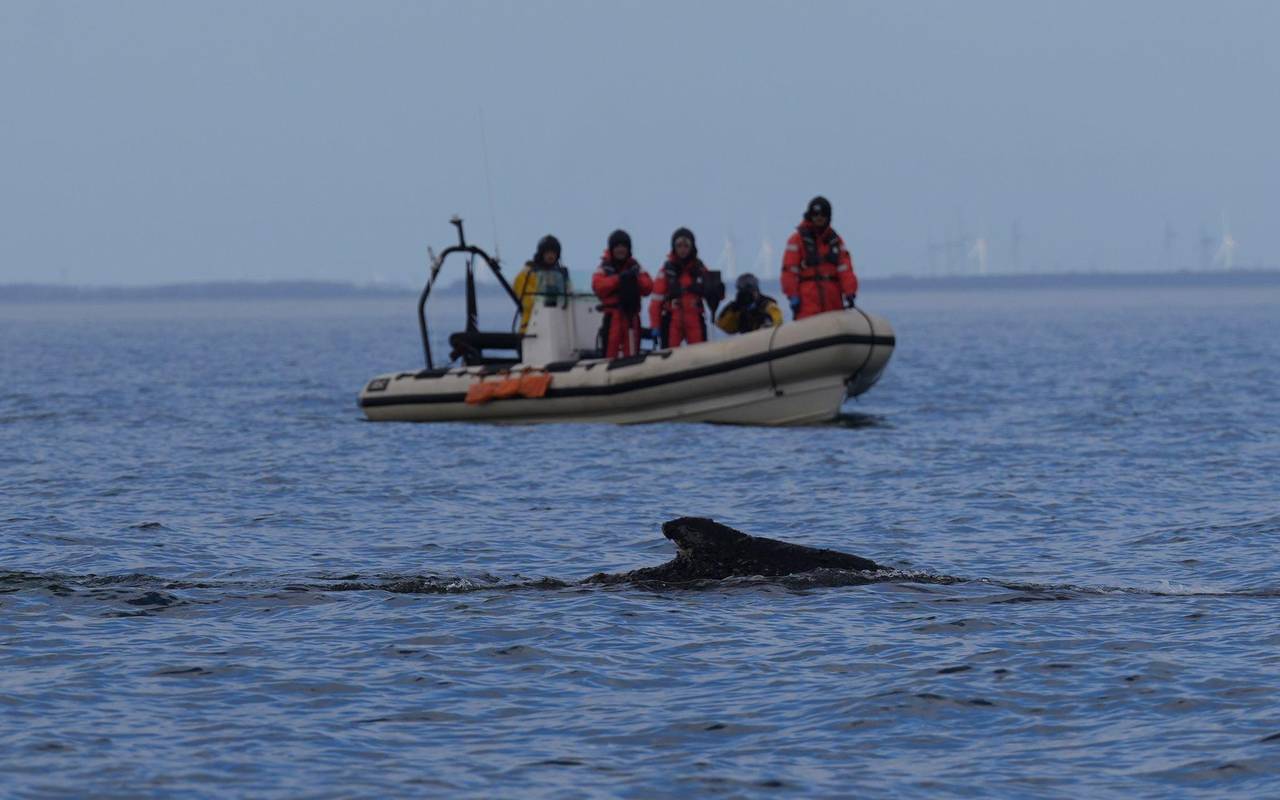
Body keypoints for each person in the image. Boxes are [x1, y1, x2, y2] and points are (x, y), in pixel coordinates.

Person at [780, 195, 858, 320]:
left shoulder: (835, 241)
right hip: (808, 303)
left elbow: (845, 270)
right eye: (816, 215)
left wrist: (850, 292)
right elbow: (789, 271)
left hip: (833, 302)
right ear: (810, 215)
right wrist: (792, 295)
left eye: (822, 215)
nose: (819, 218)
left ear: (828, 217)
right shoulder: (797, 240)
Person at [592, 229, 653, 358]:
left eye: (623, 246)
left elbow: (648, 287)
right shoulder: (604, 268)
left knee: (632, 353)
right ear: (612, 248)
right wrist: (619, 279)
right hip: (612, 316)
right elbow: (598, 286)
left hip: (631, 316)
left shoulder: (635, 267)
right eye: (617, 246)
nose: (620, 249)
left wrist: (634, 278)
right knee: (609, 353)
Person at [649, 227, 713, 347]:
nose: (682, 250)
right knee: (670, 355)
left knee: (699, 354)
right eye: (679, 246)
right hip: (672, 319)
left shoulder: (700, 269)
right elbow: (656, 301)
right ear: (674, 247)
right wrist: (655, 326)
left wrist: (716, 290)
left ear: (692, 247)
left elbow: (714, 292)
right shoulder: (666, 271)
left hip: (695, 318)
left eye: (686, 246)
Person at [513, 235, 571, 333]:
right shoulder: (527, 273)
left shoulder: (561, 274)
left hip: (558, 326)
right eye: (547, 252)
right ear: (541, 253)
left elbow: (569, 295)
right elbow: (527, 300)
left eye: (554, 252)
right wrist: (547, 298)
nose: (551, 256)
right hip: (531, 328)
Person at [715, 273, 783, 334]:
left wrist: (766, 319)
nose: (749, 296)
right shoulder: (736, 307)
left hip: (764, 338)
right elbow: (724, 325)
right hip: (747, 340)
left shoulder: (766, 304)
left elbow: (777, 319)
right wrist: (735, 310)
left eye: (752, 291)